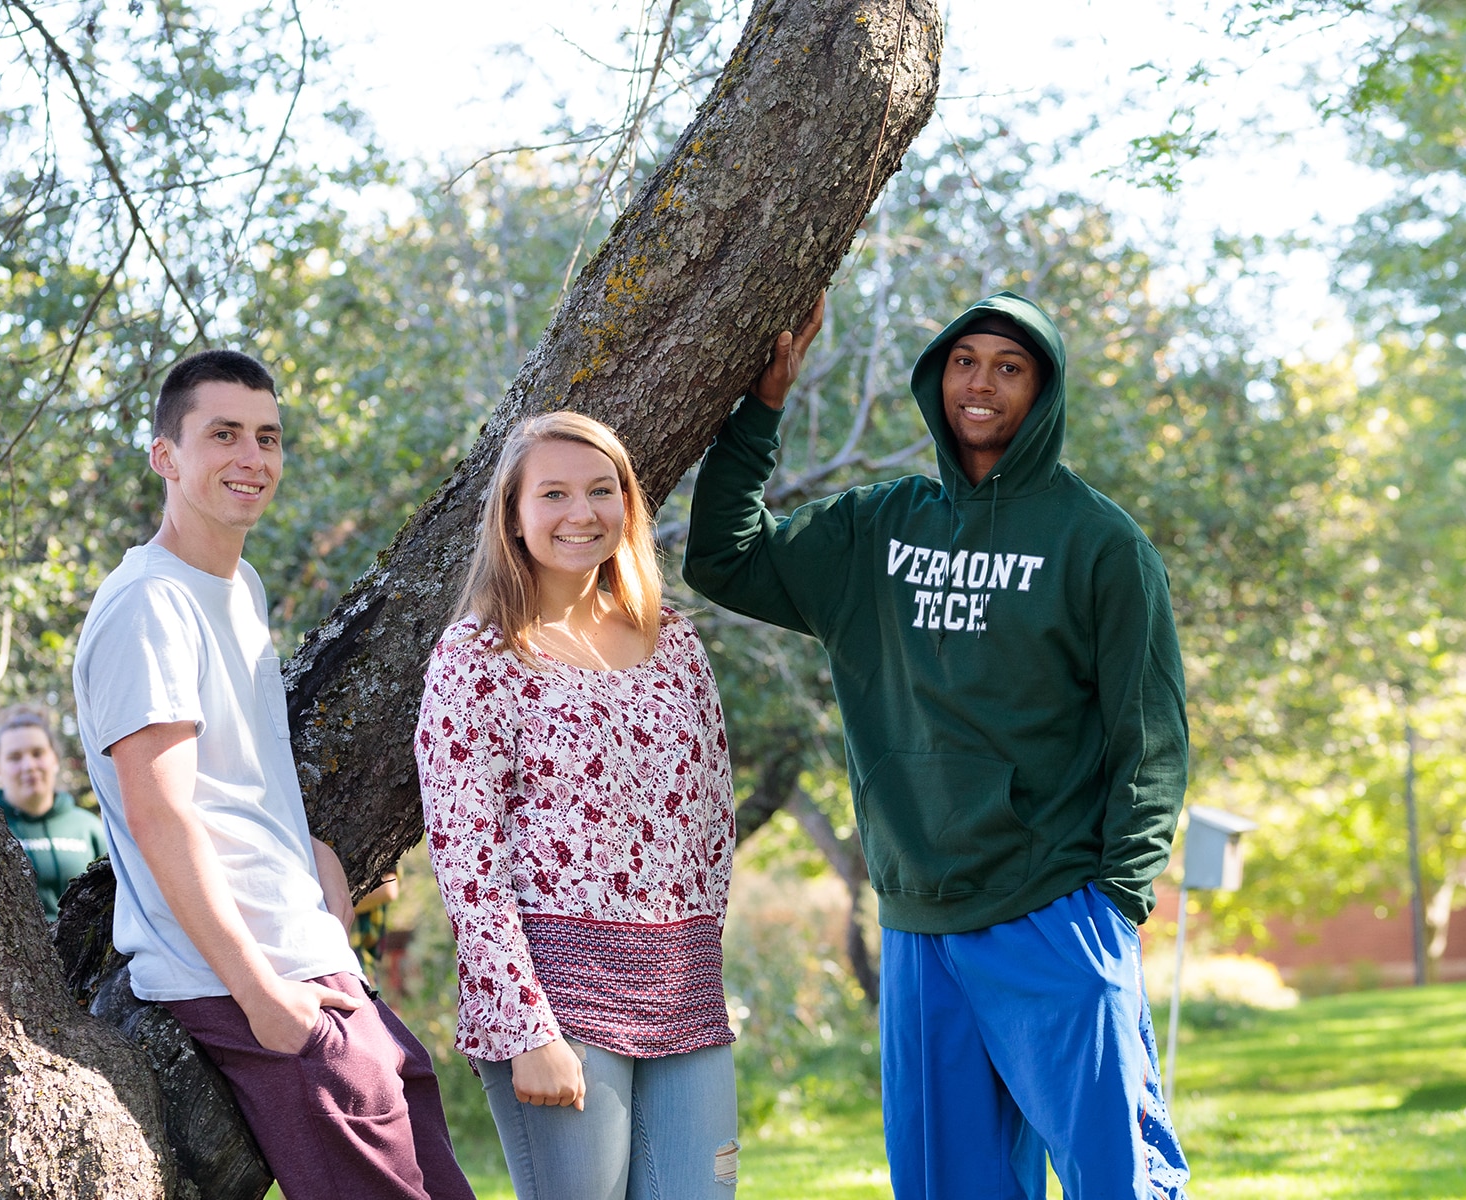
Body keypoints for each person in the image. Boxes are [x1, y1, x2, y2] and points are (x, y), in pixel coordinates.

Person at [683, 291, 1192, 1200]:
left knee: (1119, 1179)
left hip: (1054, 911)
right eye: (965, 362)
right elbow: (724, 557)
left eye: (1009, 366)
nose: (981, 384)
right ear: (937, 379)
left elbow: (1148, 739)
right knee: (948, 1188)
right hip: (919, 919)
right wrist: (759, 411)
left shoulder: (1100, 545)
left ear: (1044, 390)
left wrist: (1117, 900)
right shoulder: (877, 528)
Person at [71, 349, 474, 1200]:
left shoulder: (236, 586)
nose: (252, 459)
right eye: (224, 435)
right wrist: (259, 994)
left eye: (268, 437)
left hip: (308, 954)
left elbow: (233, 783)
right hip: (245, 974)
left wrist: (315, 869)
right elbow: (162, 817)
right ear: (165, 456)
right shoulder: (150, 606)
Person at [415, 412, 740, 1200]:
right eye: (553, 493)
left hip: (681, 987)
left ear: (627, 506)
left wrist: (694, 960)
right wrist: (526, 1026)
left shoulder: (673, 642)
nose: (580, 513)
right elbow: (466, 856)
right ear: (514, 515)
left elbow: (714, 824)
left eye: (601, 491)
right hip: (553, 993)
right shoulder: (479, 656)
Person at [0, 702, 107, 919]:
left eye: (37, 753)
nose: (29, 765)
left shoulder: (89, 829)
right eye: (14, 757)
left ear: (55, 760)